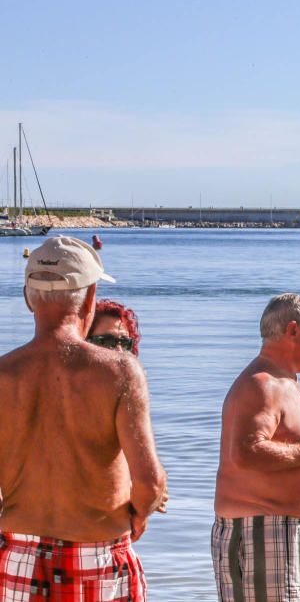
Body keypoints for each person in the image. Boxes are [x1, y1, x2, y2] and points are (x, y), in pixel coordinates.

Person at [0, 236, 166, 600]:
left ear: (29, 298)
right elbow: (150, 482)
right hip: (97, 555)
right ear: (90, 298)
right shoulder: (119, 371)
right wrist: (139, 514)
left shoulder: (4, 374)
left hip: (17, 556)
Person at [212, 293, 300, 602]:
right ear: (293, 330)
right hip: (263, 532)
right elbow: (247, 452)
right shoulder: (261, 384)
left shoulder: (287, 381)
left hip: (296, 532)